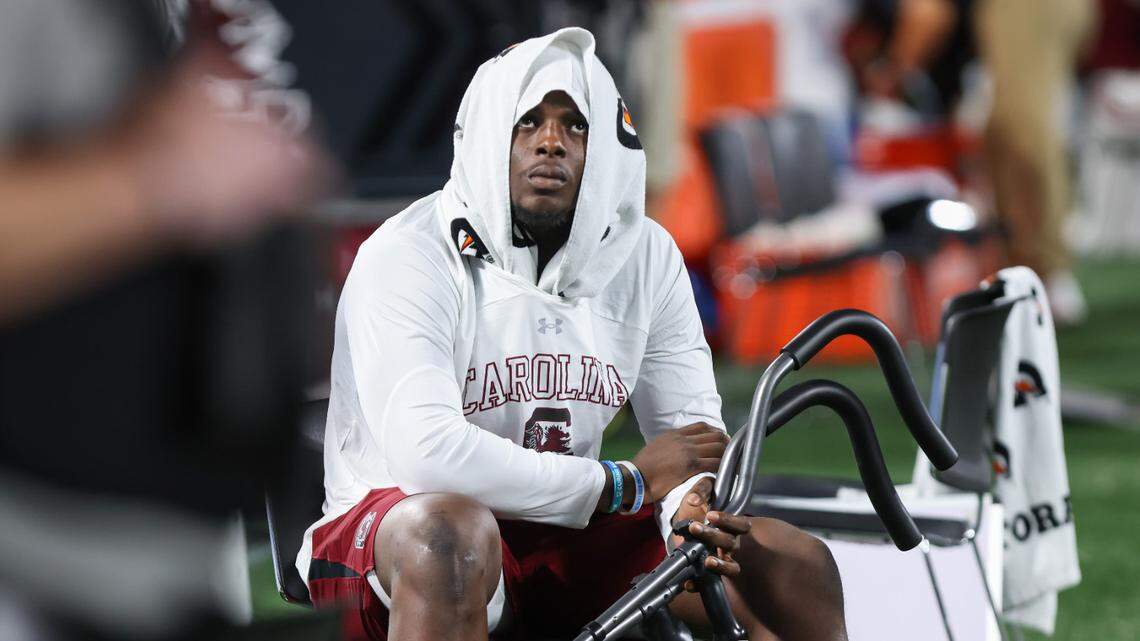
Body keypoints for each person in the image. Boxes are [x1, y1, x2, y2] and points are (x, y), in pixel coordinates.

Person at [298, 28, 845, 641]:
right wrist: (625, 483)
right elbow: (429, 457)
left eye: (575, 125)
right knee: (448, 539)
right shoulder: (407, 253)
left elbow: (690, 436)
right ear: (484, 136)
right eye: (526, 122)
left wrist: (686, 505)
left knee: (791, 564)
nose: (551, 143)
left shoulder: (646, 256)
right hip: (394, 533)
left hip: (567, 525)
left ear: (607, 144)